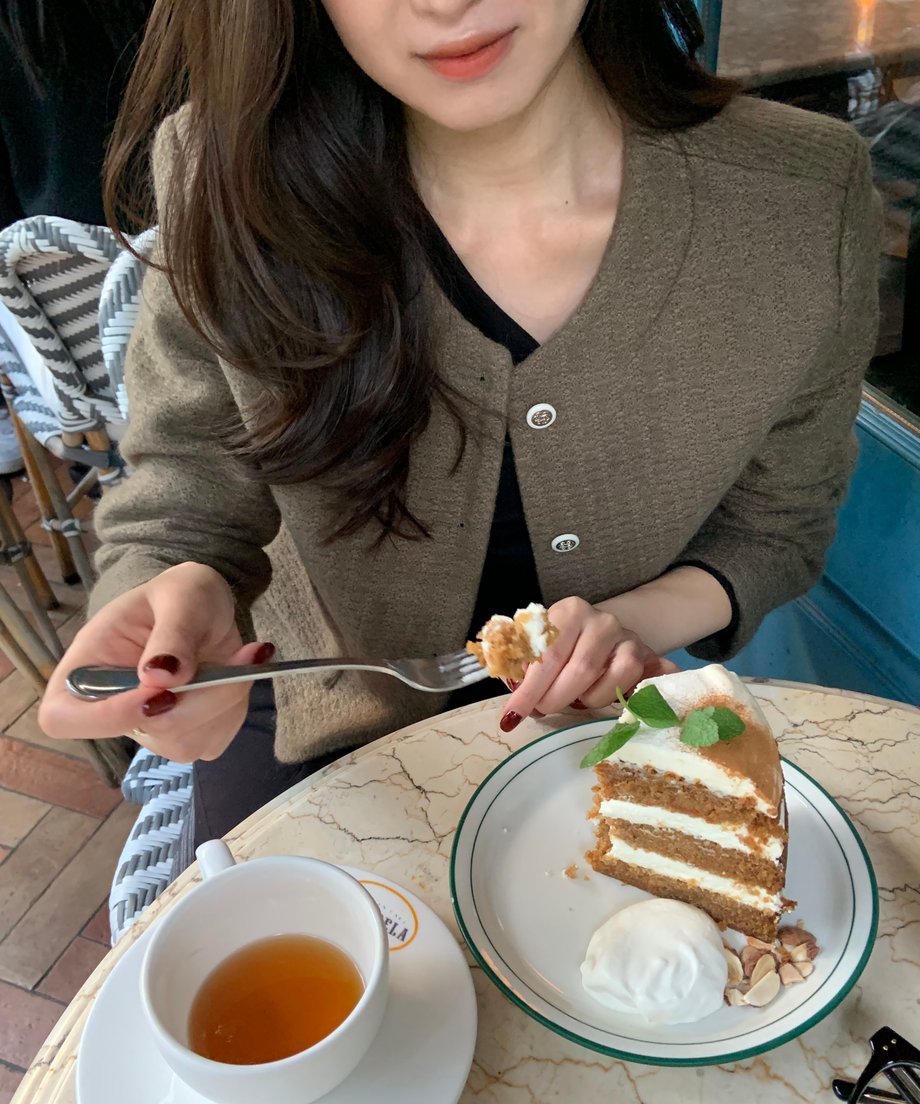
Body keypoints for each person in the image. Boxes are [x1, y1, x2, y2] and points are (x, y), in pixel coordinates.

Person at [38, 0, 879, 850]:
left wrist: (629, 626)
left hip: (606, 715)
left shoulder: (799, 200)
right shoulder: (227, 166)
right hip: (308, 696)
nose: (443, 4)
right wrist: (168, 597)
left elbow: (780, 524)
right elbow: (185, 493)